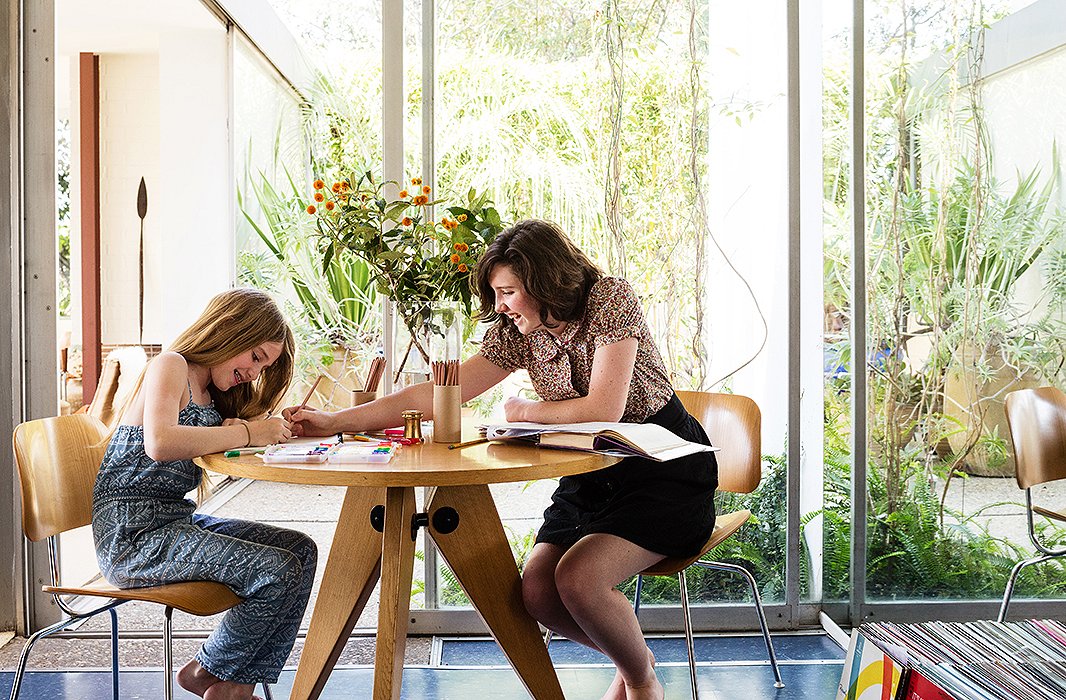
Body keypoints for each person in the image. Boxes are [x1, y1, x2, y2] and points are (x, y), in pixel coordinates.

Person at [286, 220, 717, 700]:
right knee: (536, 594)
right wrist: (337, 420)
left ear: (544, 282)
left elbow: (603, 410)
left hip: (660, 468)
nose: (500, 306)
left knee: (578, 580)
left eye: (508, 291)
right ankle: (634, 654)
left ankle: (640, 680)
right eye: (496, 294)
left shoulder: (608, 299)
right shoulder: (518, 331)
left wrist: (523, 411)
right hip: (588, 472)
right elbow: (442, 391)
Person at [92, 288, 316, 700]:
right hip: (133, 537)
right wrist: (248, 431)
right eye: (255, 357)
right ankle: (220, 681)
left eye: (263, 366)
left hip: (172, 524)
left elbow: (204, 439)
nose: (254, 372)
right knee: (276, 569)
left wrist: (263, 428)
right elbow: (158, 442)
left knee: (300, 550)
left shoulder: (213, 396)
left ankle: (218, 678)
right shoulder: (171, 365)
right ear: (230, 330)